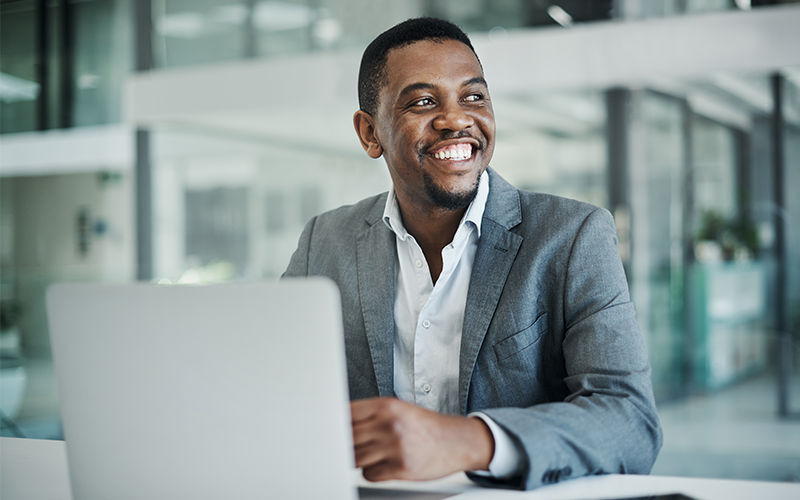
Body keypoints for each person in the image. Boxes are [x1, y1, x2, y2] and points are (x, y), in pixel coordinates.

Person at [283, 17, 662, 490]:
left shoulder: (572, 236)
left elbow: (629, 422)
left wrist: (468, 441)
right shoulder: (325, 240)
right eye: (423, 102)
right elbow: (274, 391)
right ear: (369, 133)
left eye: (473, 97)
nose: (456, 119)